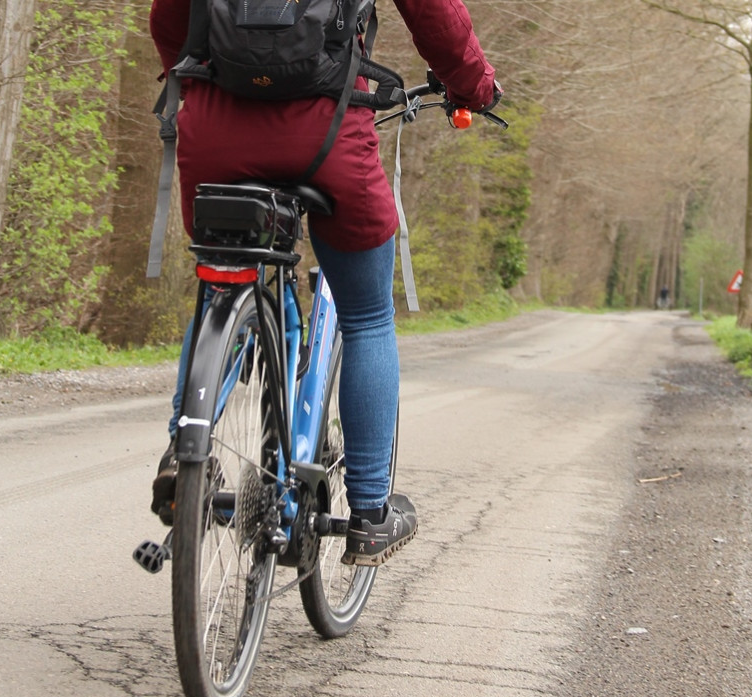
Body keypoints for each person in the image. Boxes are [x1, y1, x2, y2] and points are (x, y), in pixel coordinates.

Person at [148, 0, 499, 566]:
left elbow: (168, 19)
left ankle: (182, 452)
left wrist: (193, 80)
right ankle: (368, 513)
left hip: (216, 137)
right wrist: (474, 87)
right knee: (366, 317)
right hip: (328, 134)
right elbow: (436, 15)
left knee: (220, 291)